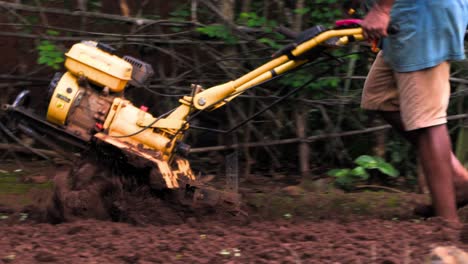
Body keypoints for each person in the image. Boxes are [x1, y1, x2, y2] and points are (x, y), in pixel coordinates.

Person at [360, 0, 468, 224]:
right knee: (380, 98)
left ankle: (447, 222)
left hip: (420, 18)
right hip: (409, 17)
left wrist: (381, 9)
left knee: (428, 122)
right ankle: (457, 182)